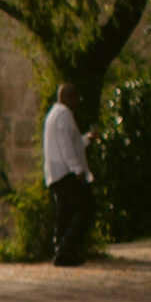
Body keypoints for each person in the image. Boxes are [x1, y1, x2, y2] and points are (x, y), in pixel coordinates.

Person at [44, 84, 96, 266]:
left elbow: (72, 144)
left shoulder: (54, 114)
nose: (78, 103)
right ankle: (67, 247)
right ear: (68, 98)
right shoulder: (64, 115)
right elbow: (67, 147)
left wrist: (87, 139)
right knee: (86, 207)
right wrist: (78, 170)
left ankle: (61, 253)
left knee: (64, 213)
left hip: (55, 172)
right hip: (65, 171)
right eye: (75, 98)